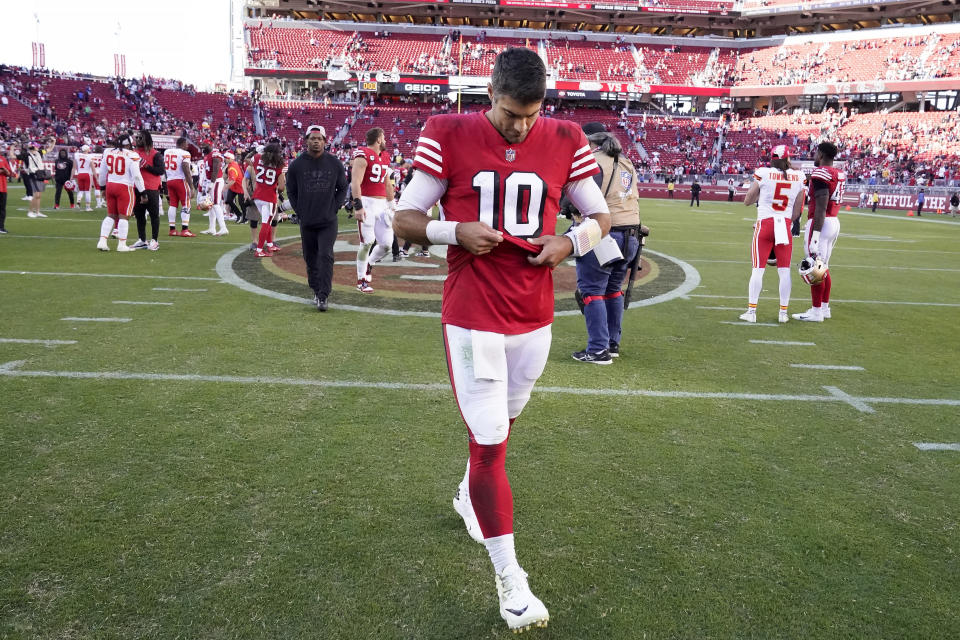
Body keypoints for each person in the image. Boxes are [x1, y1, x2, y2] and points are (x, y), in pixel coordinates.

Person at [393, 47, 610, 633]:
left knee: (503, 430)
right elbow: (405, 217)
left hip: (535, 314)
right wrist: (452, 230)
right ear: (490, 93)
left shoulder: (564, 137)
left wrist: (570, 242)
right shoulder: (447, 129)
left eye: (531, 113)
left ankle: (468, 495)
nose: (522, 125)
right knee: (489, 442)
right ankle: (511, 581)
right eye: (512, 113)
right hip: (473, 312)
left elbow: (601, 215)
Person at [571, 122, 640, 363]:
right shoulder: (626, 162)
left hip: (604, 232)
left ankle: (598, 349)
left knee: (591, 291)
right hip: (631, 235)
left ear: (589, 141)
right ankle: (611, 343)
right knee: (612, 290)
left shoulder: (595, 162)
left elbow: (585, 199)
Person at [738, 145, 806, 324]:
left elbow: (747, 200)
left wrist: (761, 194)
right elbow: (798, 209)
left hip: (766, 223)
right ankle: (783, 313)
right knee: (784, 272)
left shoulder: (763, 173)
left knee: (758, 269)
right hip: (784, 224)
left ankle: (751, 312)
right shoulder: (799, 176)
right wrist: (786, 222)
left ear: (772, 158)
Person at [286, 125, 348, 312]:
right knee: (310, 258)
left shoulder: (334, 163)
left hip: (328, 220)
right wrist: (300, 211)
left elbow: (343, 188)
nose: (315, 141)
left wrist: (335, 206)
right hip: (307, 220)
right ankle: (315, 288)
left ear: (325, 141)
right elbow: (291, 191)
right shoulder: (296, 165)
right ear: (306, 141)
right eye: (312, 138)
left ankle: (323, 295)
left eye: (319, 138)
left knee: (326, 255)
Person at [793, 141, 845, 322]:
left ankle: (816, 312)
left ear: (821, 155)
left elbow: (821, 206)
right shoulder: (838, 173)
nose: (814, 156)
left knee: (815, 267)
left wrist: (814, 236)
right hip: (833, 221)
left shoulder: (821, 173)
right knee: (824, 268)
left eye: (816, 153)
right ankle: (824, 308)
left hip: (820, 222)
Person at [351, 127, 395, 293]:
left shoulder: (384, 157)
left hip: (383, 205)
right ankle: (361, 280)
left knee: (386, 245)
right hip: (367, 203)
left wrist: (392, 205)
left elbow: (387, 183)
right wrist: (358, 205)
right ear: (378, 139)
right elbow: (355, 182)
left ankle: (370, 263)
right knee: (366, 243)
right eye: (383, 138)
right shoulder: (363, 154)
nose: (385, 141)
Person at [96, 133, 146, 252]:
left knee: (111, 215)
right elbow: (136, 176)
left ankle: (102, 241)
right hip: (124, 187)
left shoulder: (108, 152)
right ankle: (122, 245)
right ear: (128, 144)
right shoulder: (132, 154)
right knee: (124, 217)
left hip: (110, 185)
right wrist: (143, 191)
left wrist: (102, 187)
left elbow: (102, 172)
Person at [251, 143, 286, 258]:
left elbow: (249, 159)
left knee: (267, 221)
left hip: (257, 196)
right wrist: (277, 191)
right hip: (269, 198)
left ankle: (270, 244)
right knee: (266, 223)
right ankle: (260, 249)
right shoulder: (279, 164)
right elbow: (281, 187)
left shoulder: (257, 158)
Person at [131, 130, 165, 250]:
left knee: (154, 215)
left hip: (151, 188)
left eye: (141, 138)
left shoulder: (155, 154)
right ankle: (142, 239)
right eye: (137, 137)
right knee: (139, 216)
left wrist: (146, 165)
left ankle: (154, 240)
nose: (138, 140)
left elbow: (161, 170)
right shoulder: (133, 153)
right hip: (136, 188)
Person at [163, 138, 196, 237]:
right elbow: (186, 168)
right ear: (182, 144)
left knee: (173, 204)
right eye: (186, 144)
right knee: (186, 204)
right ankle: (185, 229)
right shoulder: (184, 153)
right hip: (180, 180)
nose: (187, 146)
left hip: (170, 180)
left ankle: (172, 229)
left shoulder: (167, 152)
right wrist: (192, 186)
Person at [200, 145, 228, 236]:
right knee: (211, 205)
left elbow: (215, 169)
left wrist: (212, 183)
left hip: (216, 181)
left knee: (216, 204)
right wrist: (205, 184)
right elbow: (207, 172)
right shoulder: (206, 157)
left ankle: (223, 228)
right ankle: (212, 228)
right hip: (210, 181)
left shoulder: (215, 155)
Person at [20, 142, 47, 218]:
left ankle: (38, 212)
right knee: (35, 195)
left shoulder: (39, 152)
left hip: (39, 175)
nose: (38, 147)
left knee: (39, 195)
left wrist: (54, 142)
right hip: (32, 175)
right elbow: (14, 156)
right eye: (36, 146)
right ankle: (30, 212)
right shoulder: (27, 155)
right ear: (33, 147)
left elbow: (49, 149)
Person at [223, 151, 245, 223]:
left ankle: (244, 218)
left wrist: (224, 188)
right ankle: (239, 214)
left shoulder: (232, 167)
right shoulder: (232, 164)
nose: (225, 159)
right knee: (229, 200)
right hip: (234, 186)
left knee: (241, 203)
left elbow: (232, 181)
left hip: (239, 186)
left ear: (230, 159)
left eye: (226, 158)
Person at [73, 144, 95, 211]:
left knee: (81, 191)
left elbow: (75, 167)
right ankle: (88, 207)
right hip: (87, 174)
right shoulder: (89, 156)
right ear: (87, 149)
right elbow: (93, 168)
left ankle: (78, 203)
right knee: (87, 191)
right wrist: (96, 178)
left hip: (80, 174)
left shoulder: (77, 155)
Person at [0, 145, 15, 234]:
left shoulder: (3, 159)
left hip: (3, 187)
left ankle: (1, 227)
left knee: (2, 209)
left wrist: (5, 171)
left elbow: (9, 173)